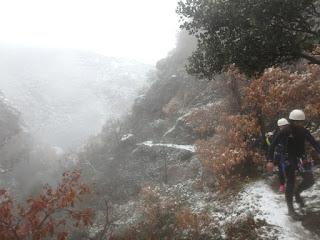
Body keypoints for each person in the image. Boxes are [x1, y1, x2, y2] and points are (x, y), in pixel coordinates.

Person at [267, 110, 320, 219]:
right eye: (297, 122)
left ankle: (297, 193)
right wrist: (270, 161)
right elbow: (272, 145)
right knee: (291, 182)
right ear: (292, 121)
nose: (299, 124)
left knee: (310, 180)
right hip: (288, 158)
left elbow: (314, 143)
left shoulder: (304, 130)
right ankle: (291, 210)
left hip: (301, 157)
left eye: (301, 122)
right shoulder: (285, 131)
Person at [266, 118, 289, 193]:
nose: (283, 128)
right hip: (279, 154)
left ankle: (289, 184)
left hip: (288, 154)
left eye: (285, 126)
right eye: (282, 126)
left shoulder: (289, 132)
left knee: (288, 169)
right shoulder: (276, 133)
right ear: (279, 127)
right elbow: (271, 145)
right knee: (281, 170)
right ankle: (282, 185)